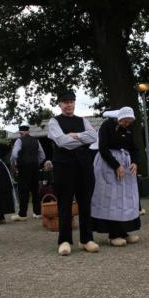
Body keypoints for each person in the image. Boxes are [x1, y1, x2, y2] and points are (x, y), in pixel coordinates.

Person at [47, 90, 99, 256]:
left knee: (85, 202)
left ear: (75, 103)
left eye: (71, 101)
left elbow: (94, 137)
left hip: (84, 166)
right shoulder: (54, 122)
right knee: (64, 204)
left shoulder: (82, 120)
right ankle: (64, 241)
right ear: (60, 104)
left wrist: (74, 135)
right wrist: (81, 140)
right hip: (63, 167)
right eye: (65, 102)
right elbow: (61, 142)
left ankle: (86, 239)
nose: (69, 104)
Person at [91, 107, 140, 247]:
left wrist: (135, 162)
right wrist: (116, 165)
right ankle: (113, 234)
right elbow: (103, 148)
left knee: (125, 199)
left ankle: (124, 231)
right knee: (112, 198)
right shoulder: (107, 126)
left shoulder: (128, 129)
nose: (127, 124)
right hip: (108, 163)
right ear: (119, 118)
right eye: (125, 121)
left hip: (125, 164)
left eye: (129, 121)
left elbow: (134, 148)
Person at [10, 125, 45, 221]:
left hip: (24, 167)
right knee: (35, 190)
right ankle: (38, 213)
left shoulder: (19, 140)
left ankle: (22, 214)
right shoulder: (36, 140)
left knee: (23, 191)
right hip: (35, 167)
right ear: (29, 132)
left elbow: (14, 154)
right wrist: (36, 162)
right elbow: (42, 155)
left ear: (20, 132)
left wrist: (14, 164)